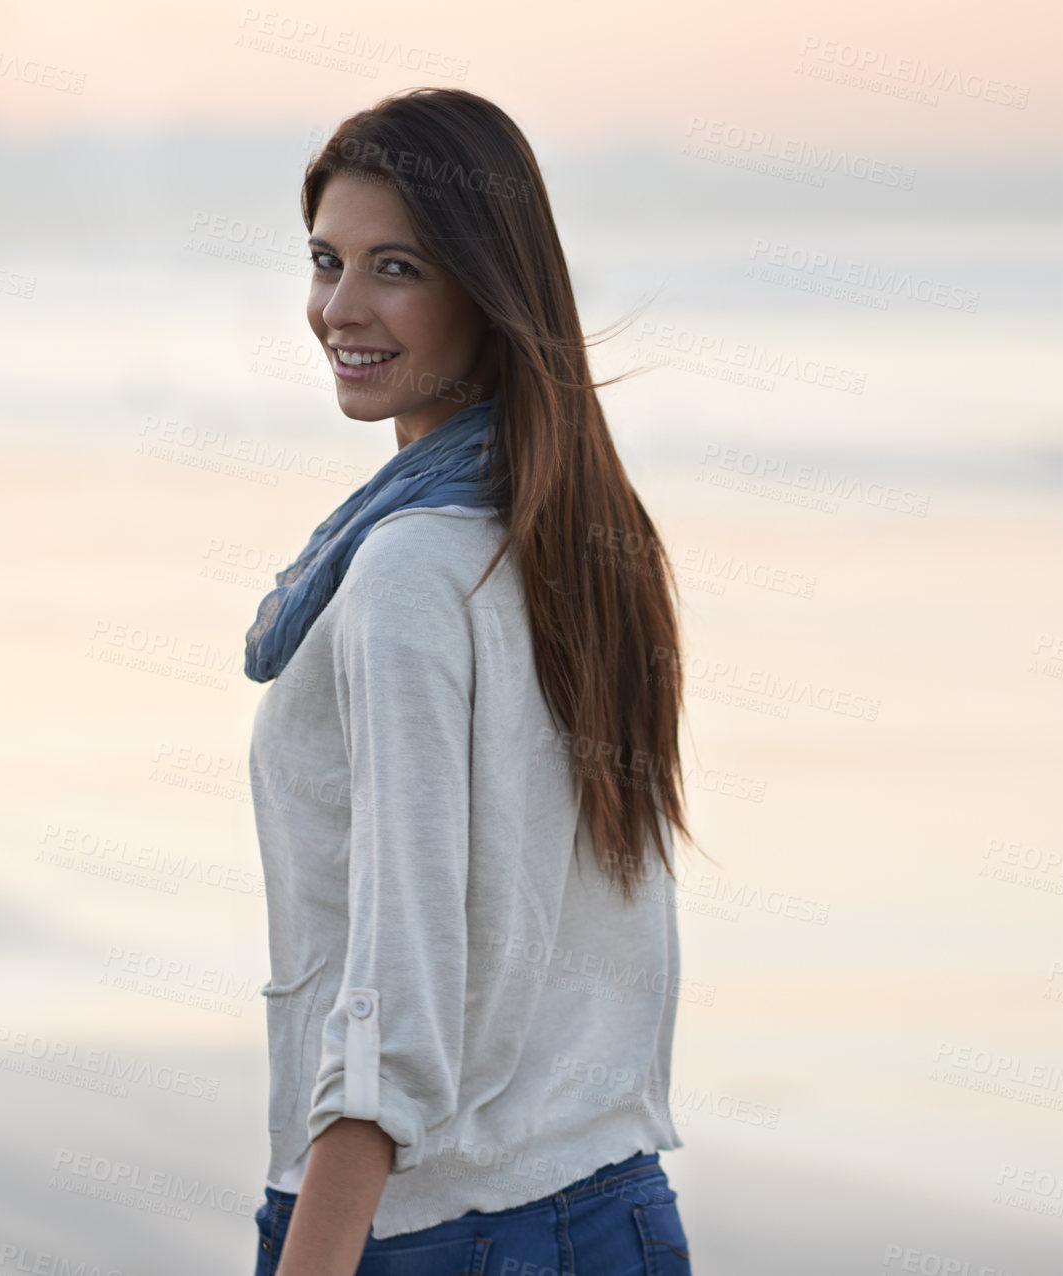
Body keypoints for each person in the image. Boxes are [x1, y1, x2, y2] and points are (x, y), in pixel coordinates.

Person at [242, 87, 697, 1275]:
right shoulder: (586, 539)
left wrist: (317, 1249)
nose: (340, 307)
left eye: (396, 267)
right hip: (617, 1212)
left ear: (488, 290)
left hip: (433, 1229)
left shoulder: (406, 571)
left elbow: (396, 996)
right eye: (326, 260)